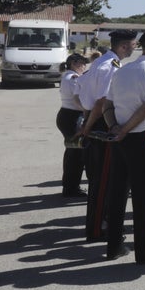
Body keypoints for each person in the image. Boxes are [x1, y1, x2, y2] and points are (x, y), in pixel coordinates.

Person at [102, 29, 145, 264]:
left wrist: (115, 128)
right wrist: (123, 129)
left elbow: (107, 105)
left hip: (120, 139)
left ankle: (114, 246)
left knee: (117, 193)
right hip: (142, 139)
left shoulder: (122, 71)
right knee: (144, 198)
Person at [75, 29, 136, 242]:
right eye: (133, 44)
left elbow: (81, 96)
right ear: (124, 46)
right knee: (102, 182)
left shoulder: (101, 64)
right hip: (101, 123)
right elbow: (101, 102)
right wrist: (89, 127)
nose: (135, 47)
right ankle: (96, 228)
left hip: (95, 121)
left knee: (102, 180)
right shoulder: (110, 67)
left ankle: (102, 223)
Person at [56, 53, 90, 197]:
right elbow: (79, 99)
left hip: (68, 115)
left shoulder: (67, 76)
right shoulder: (73, 78)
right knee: (76, 155)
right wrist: (87, 112)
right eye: (83, 64)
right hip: (73, 116)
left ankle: (70, 186)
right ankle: (71, 188)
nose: (84, 66)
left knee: (73, 153)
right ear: (75, 64)